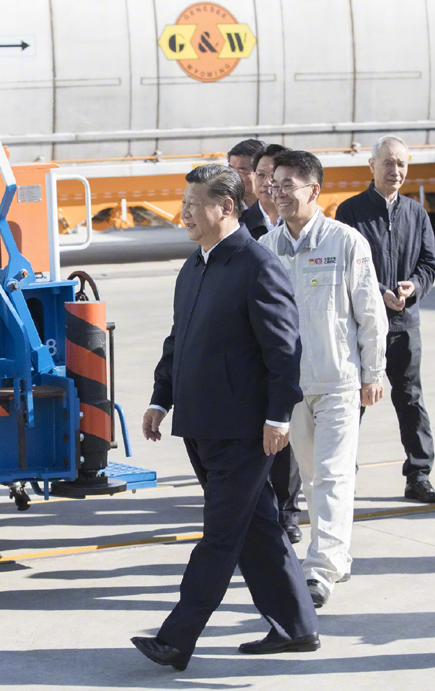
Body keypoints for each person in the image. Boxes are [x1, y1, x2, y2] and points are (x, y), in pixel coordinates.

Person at [132, 164, 319, 671]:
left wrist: (278, 416)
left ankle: (177, 639)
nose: (184, 214)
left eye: (194, 205)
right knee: (257, 527)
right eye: (184, 204)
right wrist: (160, 399)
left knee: (220, 534)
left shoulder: (257, 265)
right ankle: (297, 626)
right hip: (200, 424)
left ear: (227, 207)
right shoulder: (194, 266)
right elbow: (179, 339)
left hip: (244, 431)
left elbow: (284, 350)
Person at [261, 150, 388, 608]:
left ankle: (320, 569)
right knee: (314, 476)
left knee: (333, 474)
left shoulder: (345, 242)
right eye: (274, 185)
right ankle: (339, 553)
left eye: (288, 185)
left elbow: (369, 312)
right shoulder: (266, 247)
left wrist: (374, 371)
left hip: (339, 382)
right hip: (292, 387)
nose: (278, 193)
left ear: (314, 190)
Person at [335, 135, 435, 504]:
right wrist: (379, 291)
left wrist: (414, 286)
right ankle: (343, 474)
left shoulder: (416, 213)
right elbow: (346, 265)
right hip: (364, 326)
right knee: (354, 401)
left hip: (404, 325)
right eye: (387, 163)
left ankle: (419, 474)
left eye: (401, 164)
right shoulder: (351, 212)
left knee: (411, 399)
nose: (395, 170)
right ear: (371, 166)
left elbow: (429, 263)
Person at [244, 143, 304, 543]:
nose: (269, 184)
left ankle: (288, 511)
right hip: (255, 350)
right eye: (263, 175)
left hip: (291, 348)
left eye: (276, 177)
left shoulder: (304, 227)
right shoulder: (242, 225)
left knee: (288, 436)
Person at [244, 143, 286, 240]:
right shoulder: (238, 224)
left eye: (274, 176)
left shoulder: (299, 223)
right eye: (261, 175)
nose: (267, 183)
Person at [228, 138, 266, 209]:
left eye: (241, 171)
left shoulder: (279, 206)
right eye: (230, 169)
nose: (233, 176)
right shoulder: (225, 208)